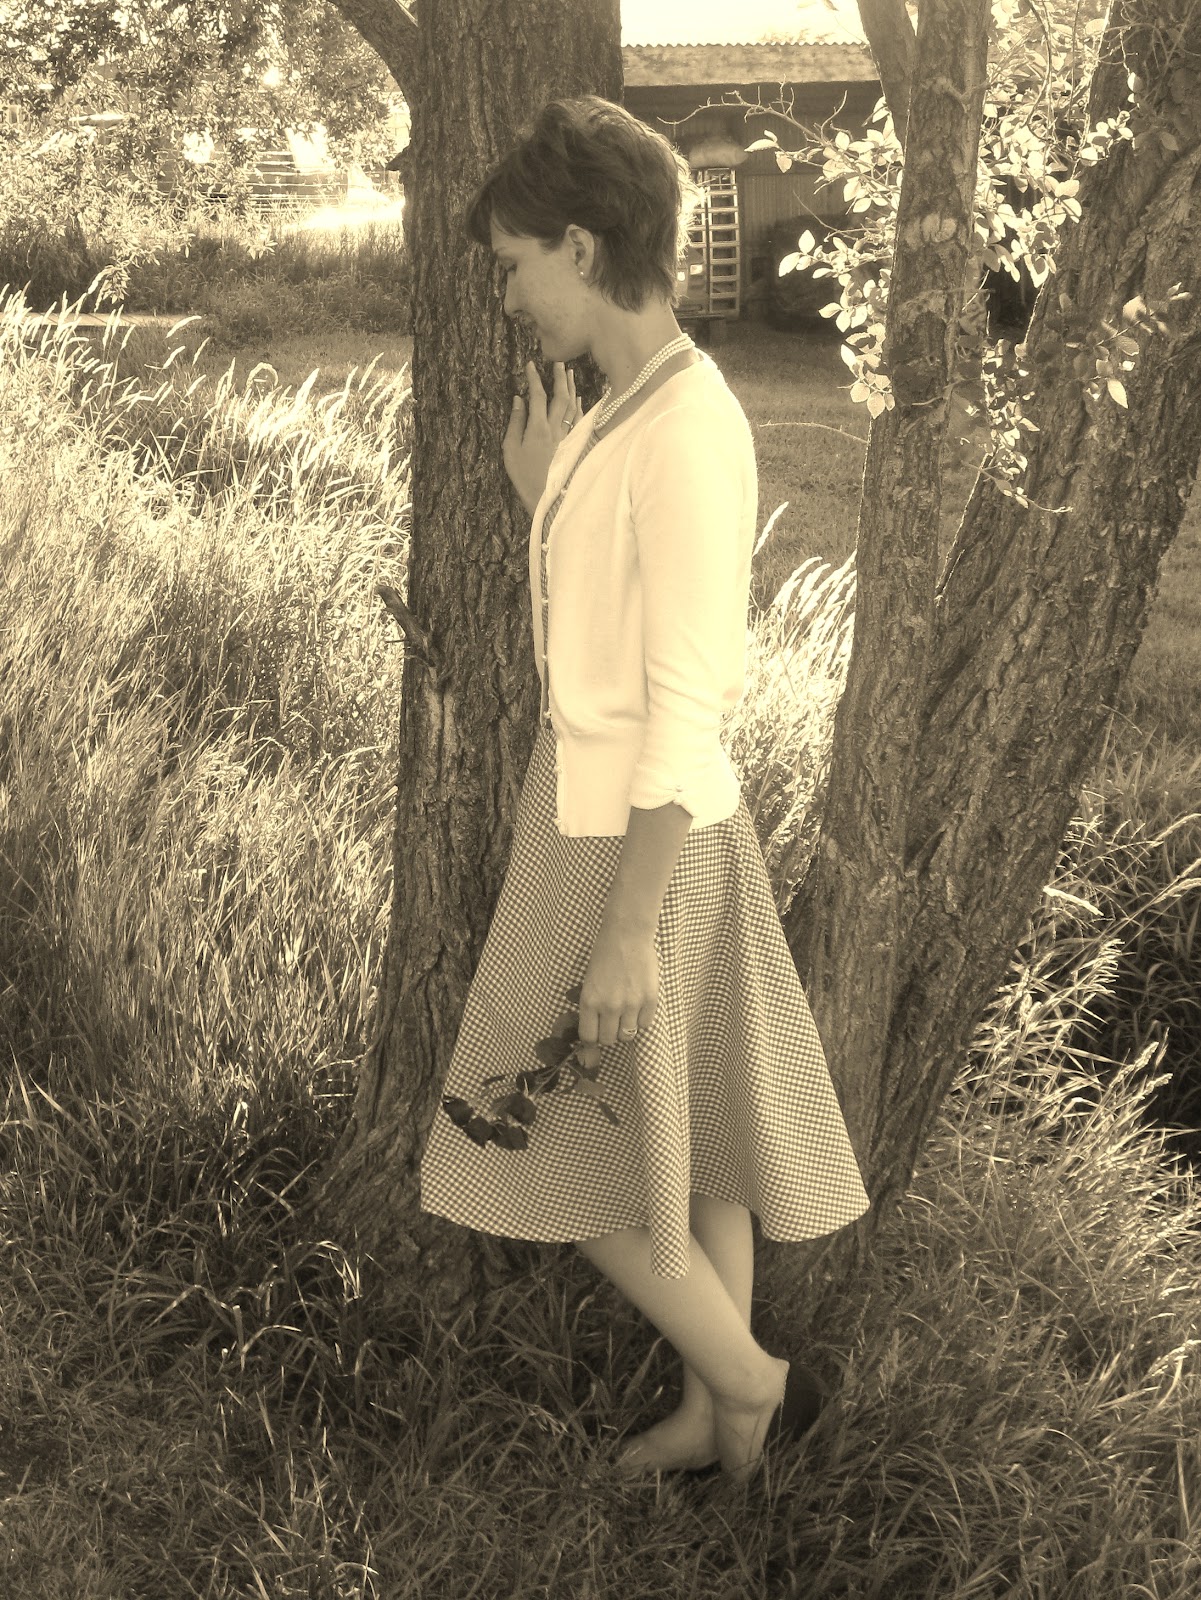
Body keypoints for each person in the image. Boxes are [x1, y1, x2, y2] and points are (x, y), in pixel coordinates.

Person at [418, 96, 869, 1487]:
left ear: (580, 242)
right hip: (629, 812)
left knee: (520, 1122)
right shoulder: (633, 410)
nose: (505, 298)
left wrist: (626, 927)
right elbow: (613, 613)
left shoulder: (685, 427)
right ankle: (714, 1414)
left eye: (513, 265)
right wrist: (545, 499)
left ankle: (751, 1381)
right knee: (701, 1133)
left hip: (633, 832)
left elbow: (689, 689)